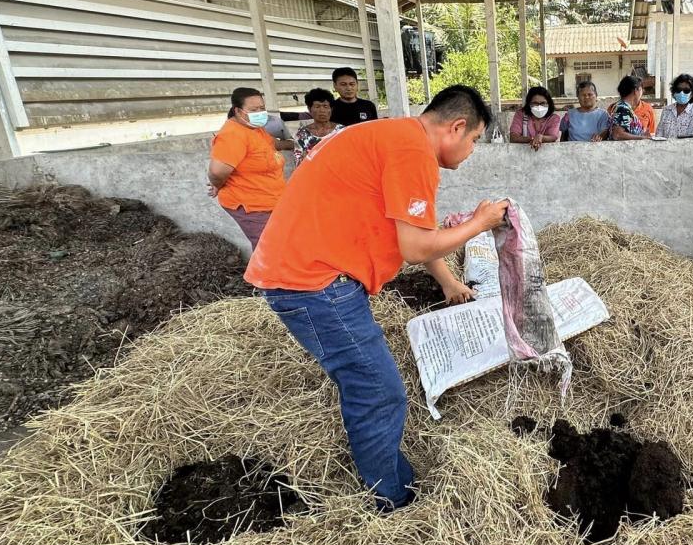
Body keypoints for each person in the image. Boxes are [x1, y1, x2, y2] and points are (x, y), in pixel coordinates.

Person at [244, 85, 508, 512]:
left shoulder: (394, 138)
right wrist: (480, 223)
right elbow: (417, 247)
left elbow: (406, 228)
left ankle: (392, 477)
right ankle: (390, 498)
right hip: (315, 282)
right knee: (378, 390)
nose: (471, 150)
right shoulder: (413, 153)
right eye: (475, 140)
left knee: (369, 382)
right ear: (456, 127)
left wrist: (447, 282)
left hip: (309, 273)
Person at [207, 87, 287, 249]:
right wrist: (218, 185)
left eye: (262, 108)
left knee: (280, 244)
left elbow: (271, 144)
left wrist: (292, 144)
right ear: (237, 110)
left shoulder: (253, 128)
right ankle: (262, 275)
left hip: (271, 200)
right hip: (252, 206)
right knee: (269, 249)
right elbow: (217, 172)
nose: (260, 112)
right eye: (253, 109)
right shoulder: (232, 135)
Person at [293, 88, 345, 162]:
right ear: (309, 109)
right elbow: (299, 161)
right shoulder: (302, 134)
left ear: (331, 109)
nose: (322, 110)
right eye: (317, 107)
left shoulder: (342, 131)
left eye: (325, 106)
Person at [509, 86, 561, 151]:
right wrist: (533, 139)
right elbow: (513, 137)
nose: (539, 106)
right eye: (535, 103)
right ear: (529, 104)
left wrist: (540, 137)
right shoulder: (521, 115)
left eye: (543, 103)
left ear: (549, 104)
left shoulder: (554, 118)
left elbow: (553, 136)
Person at [656, 74, 693, 138]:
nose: (681, 93)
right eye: (678, 90)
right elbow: (659, 134)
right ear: (674, 92)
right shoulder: (666, 110)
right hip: (664, 147)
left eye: (686, 90)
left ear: (692, 94)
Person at [610, 75, 652, 140]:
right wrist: (642, 137)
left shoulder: (623, 106)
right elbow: (617, 134)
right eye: (641, 89)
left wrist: (641, 133)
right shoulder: (623, 109)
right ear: (635, 91)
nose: (642, 92)